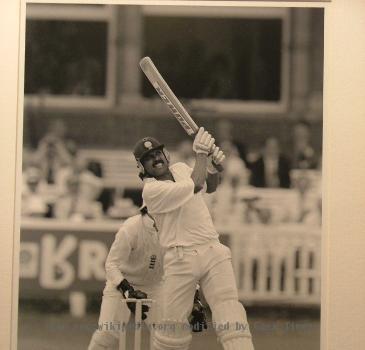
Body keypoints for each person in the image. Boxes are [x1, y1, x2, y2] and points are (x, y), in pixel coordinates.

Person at [133, 128, 254, 350]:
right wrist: (200, 152)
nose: (156, 159)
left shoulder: (180, 168)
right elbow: (194, 185)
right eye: (149, 159)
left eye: (158, 153)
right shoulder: (151, 191)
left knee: (231, 315)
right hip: (180, 259)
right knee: (172, 329)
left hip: (211, 249)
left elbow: (209, 186)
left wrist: (212, 166)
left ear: (165, 154)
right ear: (142, 168)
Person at [88, 207, 206, 350]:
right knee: (107, 333)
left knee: (169, 337)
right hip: (122, 284)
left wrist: (195, 300)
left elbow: (184, 267)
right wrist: (127, 290)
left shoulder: (176, 230)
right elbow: (111, 264)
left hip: (156, 286)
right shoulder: (131, 228)